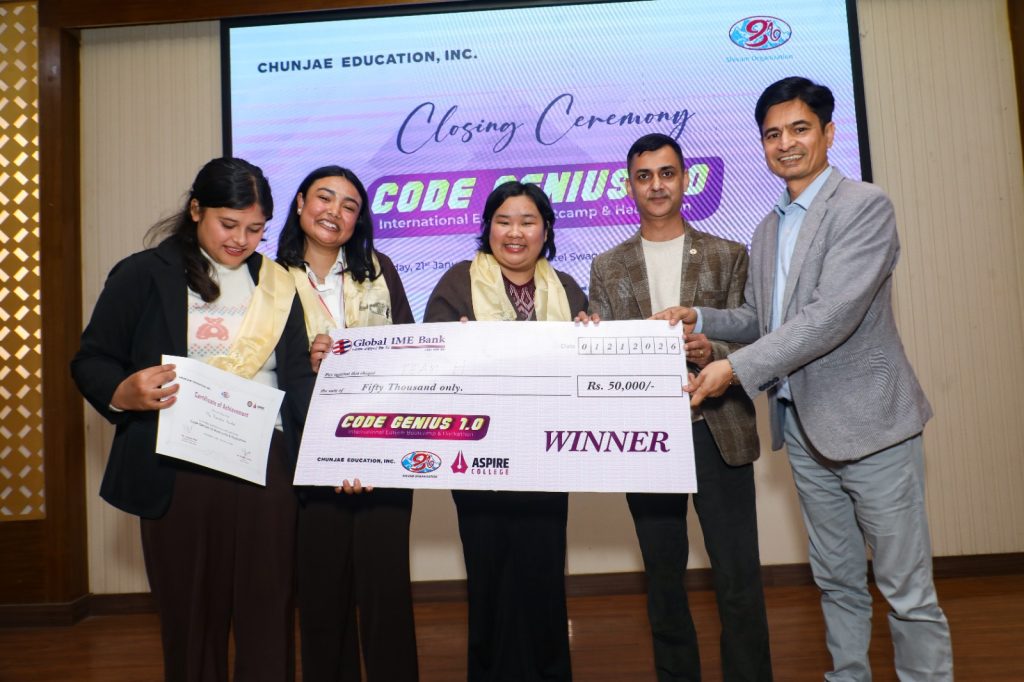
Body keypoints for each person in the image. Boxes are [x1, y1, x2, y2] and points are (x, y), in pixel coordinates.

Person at [678, 77, 954, 680]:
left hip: (873, 427)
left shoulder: (864, 207)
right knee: (836, 582)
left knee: (906, 591)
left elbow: (831, 316)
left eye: (799, 129)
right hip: (802, 428)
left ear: (828, 134)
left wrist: (734, 370)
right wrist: (701, 318)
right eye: (772, 134)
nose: (786, 144)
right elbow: (763, 318)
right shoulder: (767, 228)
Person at [71, 157, 315, 681]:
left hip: (266, 461)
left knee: (268, 613)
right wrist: (122, 391)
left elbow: (297, 380)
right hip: (176, 465)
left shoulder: (278, 284)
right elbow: (92, 360)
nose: (241, 240)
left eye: (255, 229)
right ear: (197, 209)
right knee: (190, 619)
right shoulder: (142, 273)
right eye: (229, 224)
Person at [588, 133, 772, 681]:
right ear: (628, 186)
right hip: (647, 440)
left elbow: (756, 338)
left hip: (718, 432)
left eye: (666, 173)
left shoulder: (727, 254)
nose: (656, 185)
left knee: (738, 579)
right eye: (644, 176)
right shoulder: (606, 265)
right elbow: (601, 353)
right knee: (663, 581)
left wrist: (713, 352)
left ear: (685, 179)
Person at [422, 180, 587, 682]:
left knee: (543, 576)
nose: (515, 233)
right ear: (488, 228)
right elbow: (432, 365)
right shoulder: (456, 283)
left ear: (546, 231)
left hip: (546, 457)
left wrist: (592, 339)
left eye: (528, 221)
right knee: (488, 577)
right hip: (478, 458)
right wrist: (456, 348)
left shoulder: (568, 289)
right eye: (504, 221)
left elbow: (586, 373)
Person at [279, 166, 418, 682]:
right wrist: (305, 358)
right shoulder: (270, 279)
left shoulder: (381, 270)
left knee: (387, 598)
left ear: (359, 220)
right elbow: (266, 367)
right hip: (309, 454)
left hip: (383, 450)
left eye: (349, 205)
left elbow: (410, 350)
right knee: (322, 600)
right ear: (300, 203)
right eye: (325, 198)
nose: (334, 212)